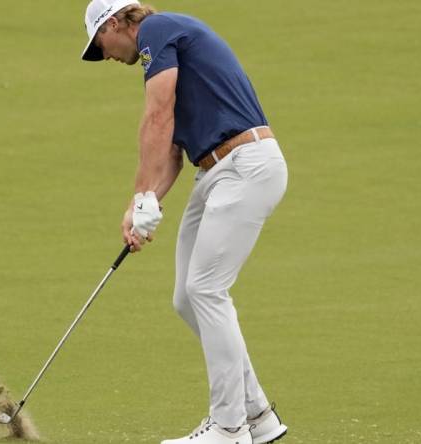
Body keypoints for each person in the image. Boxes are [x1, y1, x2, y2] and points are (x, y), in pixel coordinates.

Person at [80, 1, 290, 443]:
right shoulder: (166, 49)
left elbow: (155, 118)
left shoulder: (159, 30)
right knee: (186, 297)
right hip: (214, 171)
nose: (108, 58)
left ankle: (229, 427)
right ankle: (257, 415)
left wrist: (141, 197)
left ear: (114, 23)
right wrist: (143, 208)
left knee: (207, 289)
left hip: (246, 165)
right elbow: (171, 152)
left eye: (102, 45)